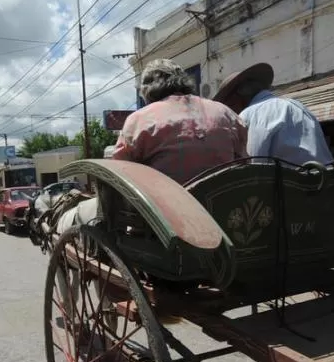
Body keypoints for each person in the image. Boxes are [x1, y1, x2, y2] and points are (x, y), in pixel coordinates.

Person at [54, 58, 248, 234]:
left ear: (147, 91)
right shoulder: (226, 113)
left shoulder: (139, 120)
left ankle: (112, 235)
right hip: (227, 218)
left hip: (167, 225)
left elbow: (117, 177)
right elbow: (243, 164)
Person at [213, 62, 334, 166]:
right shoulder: (298, 107)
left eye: (229, 103)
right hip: (322, 182)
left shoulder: (248, 115)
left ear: (241, 91)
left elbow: (254, 165)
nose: (230, 109)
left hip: (288, 188)